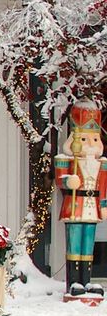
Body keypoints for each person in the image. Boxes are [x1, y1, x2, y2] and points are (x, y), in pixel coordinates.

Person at [53, 102, 107, 299]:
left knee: (88, 245)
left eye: (94, 138)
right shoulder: (67, 160)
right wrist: (69, 181)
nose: (90, 144)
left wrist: (104, 204)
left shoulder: (101, 164)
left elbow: (102, 187)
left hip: (92, 209)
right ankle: (74, 281)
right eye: (84, 138)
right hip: (75, 207)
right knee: (74, 245)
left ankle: (88, 280)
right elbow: (60, 180)